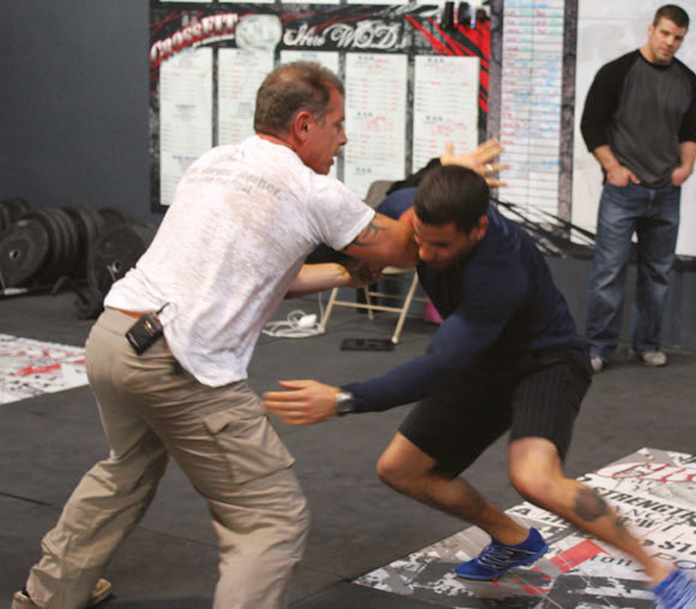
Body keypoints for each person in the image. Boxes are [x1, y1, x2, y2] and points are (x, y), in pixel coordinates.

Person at [11, 61, 500, 609]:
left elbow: (273, 274)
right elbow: (407, 249)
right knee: (270, 519)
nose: (345, 136)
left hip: (113, 338)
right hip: (177, 362)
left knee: (126, 467)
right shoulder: (312, 188)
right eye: (337, 124)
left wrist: (345, 271)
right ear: (303, 126)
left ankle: (49, 595)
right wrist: (448, 178)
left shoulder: (215, 162)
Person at [263, 164, 696, 608]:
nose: (426, 254)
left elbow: (440, 366)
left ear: (477, 228)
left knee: (534, 478)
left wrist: (344, 399)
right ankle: (513, 539)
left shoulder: (499, 265)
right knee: (400, 469)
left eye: (441, 245)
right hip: (484, 360)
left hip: (543, 360)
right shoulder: (404, 209)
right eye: (419, 238)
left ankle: (663, 573)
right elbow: (355, 226)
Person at [580, 4, 696, 373]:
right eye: (665, 34)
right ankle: (598, 348)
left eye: (678, 38)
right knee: (609, 272)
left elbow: (689, 132)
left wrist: (686, 168)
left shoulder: (688, 80)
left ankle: (646, 344)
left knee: (658, 273)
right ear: (651, 30)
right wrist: (613, 168)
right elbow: (591, 126)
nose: (670, 43)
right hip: (623, 191)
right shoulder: (617, 72)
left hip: (666, 192)